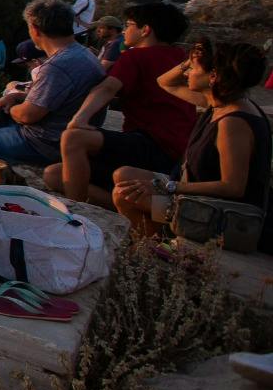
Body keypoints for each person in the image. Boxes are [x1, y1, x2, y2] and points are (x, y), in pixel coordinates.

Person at [112, 40, 271, 250]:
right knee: (124, 174)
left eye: (192, 68)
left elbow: (233, 186)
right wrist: (193, 58)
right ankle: (157, 241)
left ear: (213, 77)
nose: (186, 72)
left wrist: (169, 187)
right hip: (201, 198)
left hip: (221, 213)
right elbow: (165, 82)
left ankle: (154, 252)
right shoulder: (219, 102)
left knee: (123, 194)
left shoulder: (233, 122)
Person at [46, 2, 196, 204]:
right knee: (55, 174)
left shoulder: (136, 56)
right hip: (177, 153)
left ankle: (78, 214)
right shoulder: (182, 58)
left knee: (74, 138)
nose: (125, 31)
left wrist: (79, 119)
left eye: (129, 25)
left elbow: (107, 88)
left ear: (145, 30)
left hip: (155, 145)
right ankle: (121, 205)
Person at [0, 0, 105, 167]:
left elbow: (27, 115)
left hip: (42, 143)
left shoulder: (57, 66)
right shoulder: (83, 54)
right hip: (57, 132)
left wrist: (12, 108)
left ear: (34, 29)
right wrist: (19, 96)